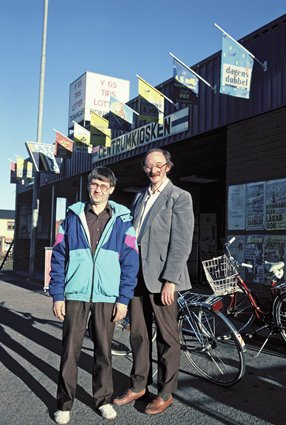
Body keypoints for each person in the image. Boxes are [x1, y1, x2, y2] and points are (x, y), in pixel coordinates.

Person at [49, 166, 139, 424]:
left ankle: (103, 400)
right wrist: (57, 294)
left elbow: (131, 262)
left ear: (111, 189)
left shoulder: (124, 221)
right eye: (94, 185)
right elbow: (58, 257)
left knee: (103, 352)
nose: (97, 190)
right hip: (75, 294)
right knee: (69, 351)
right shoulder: (71, 218)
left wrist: (123, 299)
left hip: (107, 296)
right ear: (88, 187)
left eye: (103, 186)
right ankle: (64, 404)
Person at [113, 148, 194, 415]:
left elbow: (181, 242)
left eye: (159, 165)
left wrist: (171, 279)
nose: (153, 170)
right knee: (138, 334)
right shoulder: (139, 197)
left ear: (168, 167)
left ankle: (165, 392)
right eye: (149, 166)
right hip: (137, 276)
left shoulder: (179, 197)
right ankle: (139, 385)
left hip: (163, 280)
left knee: (168, 339)